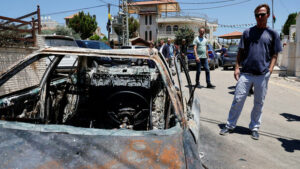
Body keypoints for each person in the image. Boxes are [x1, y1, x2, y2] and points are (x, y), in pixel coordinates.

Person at [219, 4, 282, 140]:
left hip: (262, 74)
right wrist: (236, 67)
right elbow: (240, 51)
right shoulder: (247, 32)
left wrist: (270, 70)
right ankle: (230, 125)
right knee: (238, 99)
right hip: (246, 73)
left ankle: (254, 127)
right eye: (257, 15)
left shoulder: (273, 34)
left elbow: (275, 55)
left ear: (268, 16)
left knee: (259, 103)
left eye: (262, 14)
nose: (259, 17)